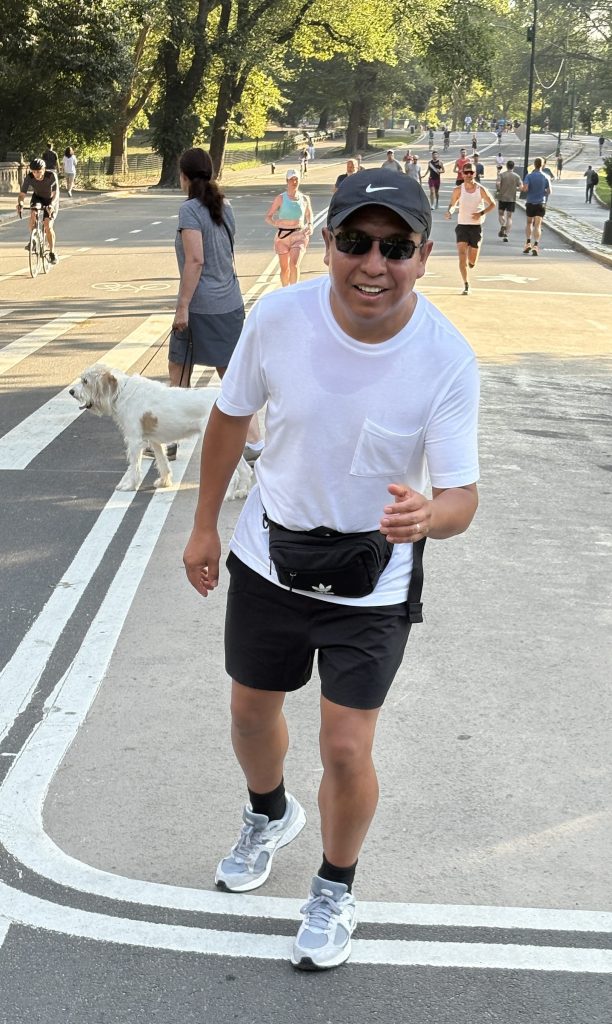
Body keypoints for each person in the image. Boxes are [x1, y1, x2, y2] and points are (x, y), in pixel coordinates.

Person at [182, 167, 480, 971]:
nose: (372, 265)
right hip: (269, 558)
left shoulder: (446, 358)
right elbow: (228, 416)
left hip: (372, 580)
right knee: (250, 716)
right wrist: (204, 525)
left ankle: (335, 889)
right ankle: (267, 813)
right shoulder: (278, 318)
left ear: (423, 255)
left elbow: (460, 494)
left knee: (346, 747)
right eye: (355, 242)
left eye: (395, 247)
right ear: (326, 242)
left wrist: (432, 518)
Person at [445, 161, 496, 294]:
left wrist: (481, 213)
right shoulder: (458, 190)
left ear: (475, 174)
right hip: (462, 226)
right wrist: (450, 212)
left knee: (471, 260)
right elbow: (452, 204)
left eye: (471, 172)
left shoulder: (480, 189)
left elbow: (492, 204)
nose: (468, 175)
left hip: (476, 227)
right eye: (466, 172)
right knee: (462, 256)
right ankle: (466, 284)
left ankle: (472, 260)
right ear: (462, 174)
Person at [265, 168, 313, 287]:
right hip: (283, 236)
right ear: (287, 181)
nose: (294, 182)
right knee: (284, 268)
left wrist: (310, 224)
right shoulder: (281, 198)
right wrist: (275, 223)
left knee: (294, 264)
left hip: (299, 235)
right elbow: (268, 216)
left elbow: (309, 214)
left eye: (296, 179)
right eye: (292, 179)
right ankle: (285, 290)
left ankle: (294, 291)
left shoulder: (304, 198)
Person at [17, 157, 60, 265]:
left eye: (39, 171)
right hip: (38, 198)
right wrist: (21, 203)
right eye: (34, 171)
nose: (36, 174)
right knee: (33, 213)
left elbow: (56, 194)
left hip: (51, 200)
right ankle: (33, 239)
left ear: (44, 169)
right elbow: (22, 194)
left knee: (47, 225)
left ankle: (52, 252)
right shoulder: (29, 177)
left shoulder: (51, 175)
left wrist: (51, 205)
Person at [520, 156, 551, 256]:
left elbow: (525, 189)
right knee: (538, 225)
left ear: (534, 164)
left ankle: (528, 243)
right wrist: (543, 191)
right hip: (541, 203)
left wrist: (525, 189)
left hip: (530, 202)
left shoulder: (529, 176)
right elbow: (549, 191)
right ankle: (536, 245)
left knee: (529, 223)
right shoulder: (546, 177)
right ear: (542, 165)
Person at [495, 159, 522, 242]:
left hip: (502, 197)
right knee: (509, 217)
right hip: (511, 199)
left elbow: (497, 184)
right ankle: (506, 234)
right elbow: (521, 187)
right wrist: (515, 189)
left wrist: (499, 189)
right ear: (513, 167)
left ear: (507, 166)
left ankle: (503, 225)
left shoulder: (502, 175)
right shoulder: (517, 176)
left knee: (501, 214)